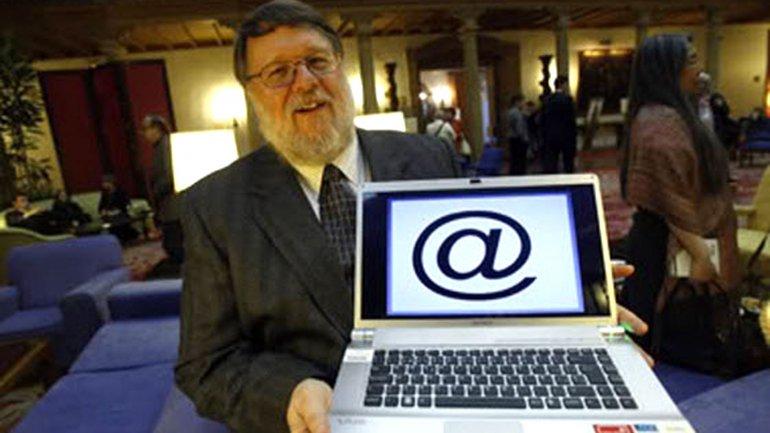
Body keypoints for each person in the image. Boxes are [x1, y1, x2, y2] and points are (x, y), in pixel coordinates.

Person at [176, 2, 651, 433]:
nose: (305, 83)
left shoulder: (429, 157)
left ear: (340, 67)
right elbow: (206, 364)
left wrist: (561, 299)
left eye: (317, 62)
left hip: (454, 399)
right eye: (279, 72)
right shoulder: (215, 206)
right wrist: (292, 392)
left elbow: (472, 265)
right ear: (251, 92)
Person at [619, 34, 739, 351]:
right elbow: (668, 197)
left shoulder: (677, 113)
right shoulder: (658, 123)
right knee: (658, 340)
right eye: (692, 60)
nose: (700, 69)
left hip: (678, 240)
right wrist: (700, 255)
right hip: (665, 245)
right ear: (668, 69)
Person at [142, 114, 183, 263]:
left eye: (146, 129)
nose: (145, 135)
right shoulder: (160, 147)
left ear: (156, 129)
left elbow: (169, 176)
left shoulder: (165, 146)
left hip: (172, 204)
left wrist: (155, 192)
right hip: (169, 204)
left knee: (174, 245)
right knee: (172, 244)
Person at [540, 75, 577, 173]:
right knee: (568, 163)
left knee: (552, 163)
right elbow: (571, 120)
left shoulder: (547, 100)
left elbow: (543, 119)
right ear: (563, 85)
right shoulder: (567, 99)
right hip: (566, 135)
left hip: (551, 135)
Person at [98, 176, 138, 243]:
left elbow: (126, 203)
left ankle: (126, 237)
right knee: (107, 222)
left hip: (121, 213)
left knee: (119, 221)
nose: (103, 185)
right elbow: (101, 206)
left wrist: (117, 210)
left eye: (104, 183)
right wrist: (103, 210)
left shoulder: (120, 191)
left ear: (110, 183)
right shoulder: (104, 194)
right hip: (109, 215)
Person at [507, 94, 530, 175]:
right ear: (517, 102)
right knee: (519, 161)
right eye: (522, 102)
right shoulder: (516, 113)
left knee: (514, 160)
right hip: (518, 139)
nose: (523, 104)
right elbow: (519, 127)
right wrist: (525, 138)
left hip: (513, 138)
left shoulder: (511, 112)